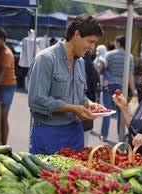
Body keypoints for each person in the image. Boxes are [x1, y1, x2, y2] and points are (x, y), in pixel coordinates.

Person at [28, 14, 104, 154]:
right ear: (76, 35)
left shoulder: (81, 62)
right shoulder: (46, 59)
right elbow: (36, 100)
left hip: (75, 132)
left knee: (77, 175)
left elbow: (80, 96)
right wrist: (73, 108)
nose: (92, 47)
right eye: (90, 41)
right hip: (48, 132)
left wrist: (89, 104)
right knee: (47, 175)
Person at [100, 35, 137, 141]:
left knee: (107, 110)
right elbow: (130, 75)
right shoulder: (129, 56)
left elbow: (102, 68)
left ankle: (104, 135)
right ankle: (120, 135)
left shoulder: (109, 54)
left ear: (118, 43)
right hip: (122, 87)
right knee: (122, 112)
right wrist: (133, 89)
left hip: (109, 85)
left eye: (115, 41)